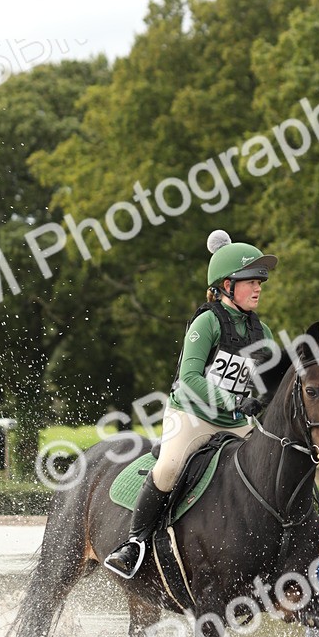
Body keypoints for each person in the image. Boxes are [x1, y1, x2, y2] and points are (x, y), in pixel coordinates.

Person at [104, 229, 277, 579]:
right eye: (249, 281)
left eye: (260, 281)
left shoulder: (264, 333)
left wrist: (264, 397)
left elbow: (267, 383)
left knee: (266, 469)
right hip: (191, 416)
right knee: (168, 468)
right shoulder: (207, 322)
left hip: (234, 421)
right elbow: (190, 379)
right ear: (226, 285)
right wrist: (234, 401)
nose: (258, 287)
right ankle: (134, 543)